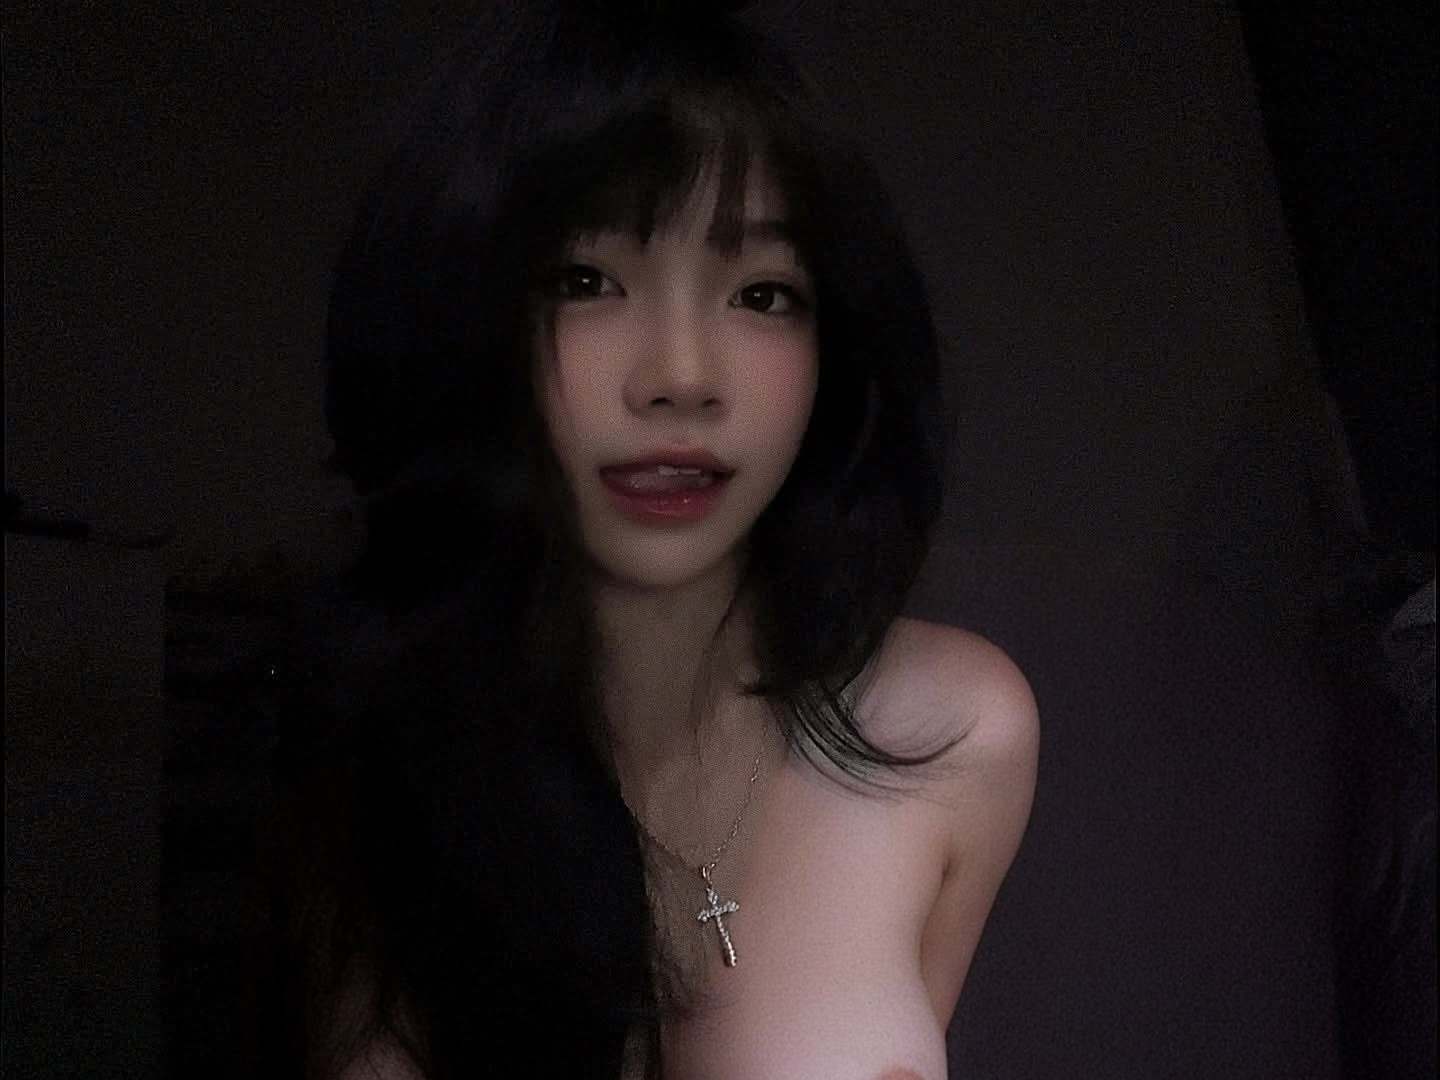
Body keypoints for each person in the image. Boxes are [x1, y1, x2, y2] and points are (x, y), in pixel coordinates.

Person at [260, 2, 1039, 1077]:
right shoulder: (386, 752)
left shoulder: (957, 734)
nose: (681, 375)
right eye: (584, 281)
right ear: (465, 313)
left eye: (763, 293)